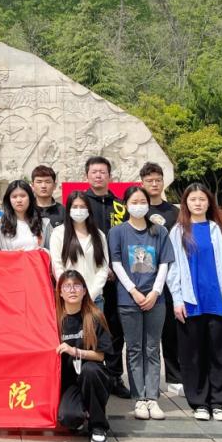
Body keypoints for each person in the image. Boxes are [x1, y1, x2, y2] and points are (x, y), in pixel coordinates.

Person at [168, 183, 222, 422]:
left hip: (217, 300)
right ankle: (199, 402)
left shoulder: (218, 230)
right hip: (191, 302)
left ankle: (218, 402)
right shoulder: (178, 231)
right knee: (192, 355)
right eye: (193, 199)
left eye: (202, 199)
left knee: (219, 353)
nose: (197, 203)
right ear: (185, 203)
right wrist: (177, 299)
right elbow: (173, 268)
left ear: (209, 202)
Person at [109, 186, 174, 421]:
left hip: (156, 299)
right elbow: (116, 264)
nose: (138, 206)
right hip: (129, 300)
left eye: (142, 201)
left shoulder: (159, 231)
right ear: (126, 205)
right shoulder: (117, 232)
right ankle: (139, 398)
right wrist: (133, 291)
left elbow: (165, 263)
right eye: (134, 202)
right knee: (134, 348)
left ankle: (153, 398)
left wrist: (155, 291)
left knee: (152, 348)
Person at [81, 156, 130, 399]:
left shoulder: (120, 206)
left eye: (103, 172)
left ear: (110, 176)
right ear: (87, 176)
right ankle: (89, 375)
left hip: (116, 280)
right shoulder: (81, 204)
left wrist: (115, 269)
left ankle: (114, 375)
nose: (98, 175)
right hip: (89, 280)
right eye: (94, 172)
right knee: (89, 326)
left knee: (115, 328)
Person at [55, 269, 113, 442]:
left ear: (84, 290)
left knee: (90, 370)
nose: (72, 290)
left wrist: (75, 351)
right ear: (60, 292)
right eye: (67, 286)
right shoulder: (55, 319)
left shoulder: (94, 316)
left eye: (77, 286)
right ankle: (82, 411)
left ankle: (98, 426)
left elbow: (101, 355)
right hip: (69, 382)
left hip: (93, 377)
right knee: (68, 418)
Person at [139, 161, 183, 397]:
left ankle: (175, 376)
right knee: (145, 335)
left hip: (169, 280)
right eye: (149, 181)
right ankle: (147, 377)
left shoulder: (174, 212)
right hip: (144, 279)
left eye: (158, 180)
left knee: (171, 331)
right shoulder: (137, 209)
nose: (154, 184)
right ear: (142, 183)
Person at [49, 191, 109, 309]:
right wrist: (70, 291)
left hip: (95, 299)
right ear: (68, 210)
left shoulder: (99, 235)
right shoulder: (58, 233)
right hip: (69, 299)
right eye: (75, 207)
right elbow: (57, 266)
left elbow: (103, 268)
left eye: (82, 207)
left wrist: (90, 295)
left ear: (89, 210)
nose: (79, 210)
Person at [0, 179, 52, 251]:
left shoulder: (43, 224)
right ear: (9, 200)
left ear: (30, 198)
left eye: (23, 196)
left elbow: (53, 252)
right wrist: (11, 254)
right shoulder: (1, 223)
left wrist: (43, 251)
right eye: (14, 197)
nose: (19, 200)